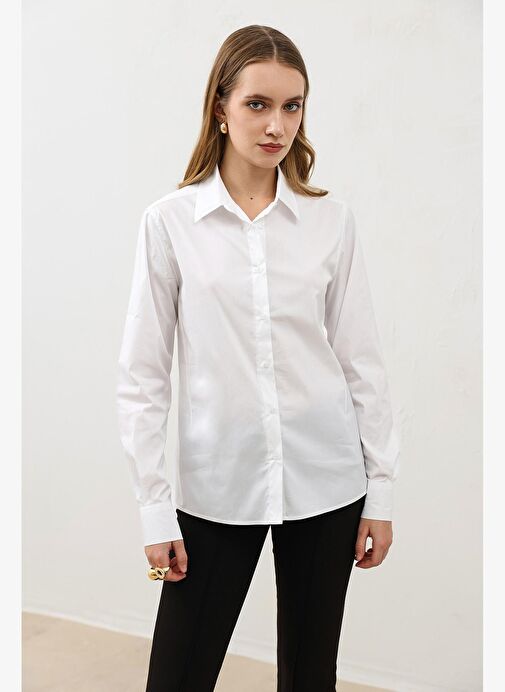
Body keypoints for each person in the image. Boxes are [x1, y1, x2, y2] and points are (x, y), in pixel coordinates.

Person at [116, 24, 400, 692]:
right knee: (178, 676)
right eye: (257, 104)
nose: (277, 125)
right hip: (218, 485)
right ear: (220, 106)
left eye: (291, 106)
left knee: (310, 674)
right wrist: (155, 509)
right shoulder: (170, 223)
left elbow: (361, 360)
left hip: (327, 480)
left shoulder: (330, 222)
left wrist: (380, 491)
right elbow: (143, 378)